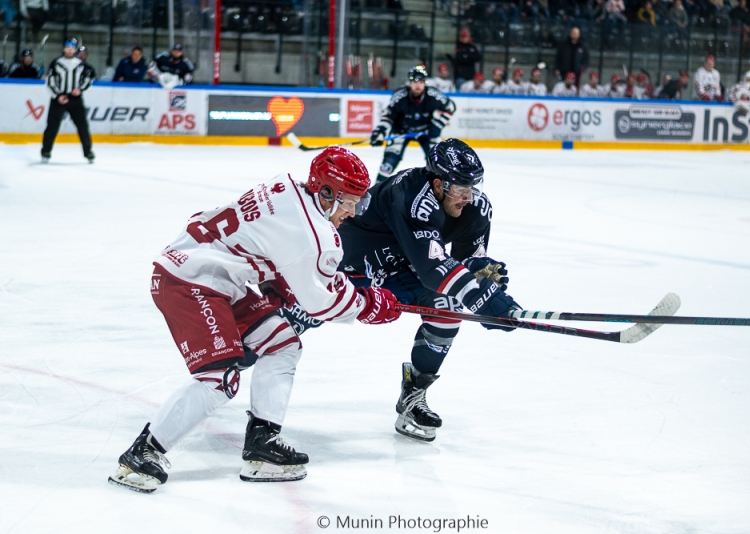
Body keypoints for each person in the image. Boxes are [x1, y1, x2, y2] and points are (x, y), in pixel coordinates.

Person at [108, 148, 400, 493]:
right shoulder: (314, 235)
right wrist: (368, 305)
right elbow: (321, 301)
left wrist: (279, 279)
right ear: (325, 192)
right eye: (348, 202)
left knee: (283, 345)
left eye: (358, 203)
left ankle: (262, 444)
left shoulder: (287, 185)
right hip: (191, 280)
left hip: (215, 272)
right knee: (219, 380)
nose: (352, 212)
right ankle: (141, 455)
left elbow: (262, 240)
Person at [335, 138, 521, 442]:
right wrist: (485, 299)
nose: (468, 196)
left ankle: (414, 395)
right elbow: (434, 270)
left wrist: (484, 275)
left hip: (403, 267)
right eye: (460, 189)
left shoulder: (476, 208)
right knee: (299, 313)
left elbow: (466, 259)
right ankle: (236, 350)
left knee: (448, 308)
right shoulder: (410, 196)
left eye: (472, 187)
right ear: (438, 184)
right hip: (352, 264)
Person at [370, 66, 456, 183]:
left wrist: (437, 125)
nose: (418, 85)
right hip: (401, 131)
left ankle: (441, 189)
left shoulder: (433, 94)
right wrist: (379, 131)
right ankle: (376, 190)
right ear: (409, 82)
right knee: (389, 162)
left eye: (421, 82)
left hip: (426, 131)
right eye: (415, 82)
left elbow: (451, 107)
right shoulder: (400, 96)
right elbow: (388, 116)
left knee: (438, 162)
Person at [41, 39, 94, 164]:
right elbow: (50, 81)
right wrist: (58, 95)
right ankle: (46, 151)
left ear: (75, 49)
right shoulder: (56, 63)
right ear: (63, 48)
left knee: (83, 126)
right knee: (52, 126)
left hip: (75, 99)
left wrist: (80, 90)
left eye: (72, 47)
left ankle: (88, 152)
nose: (70, 49)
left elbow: (87, 79)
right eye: (67, 47)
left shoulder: (81, 64)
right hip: (59, 99)